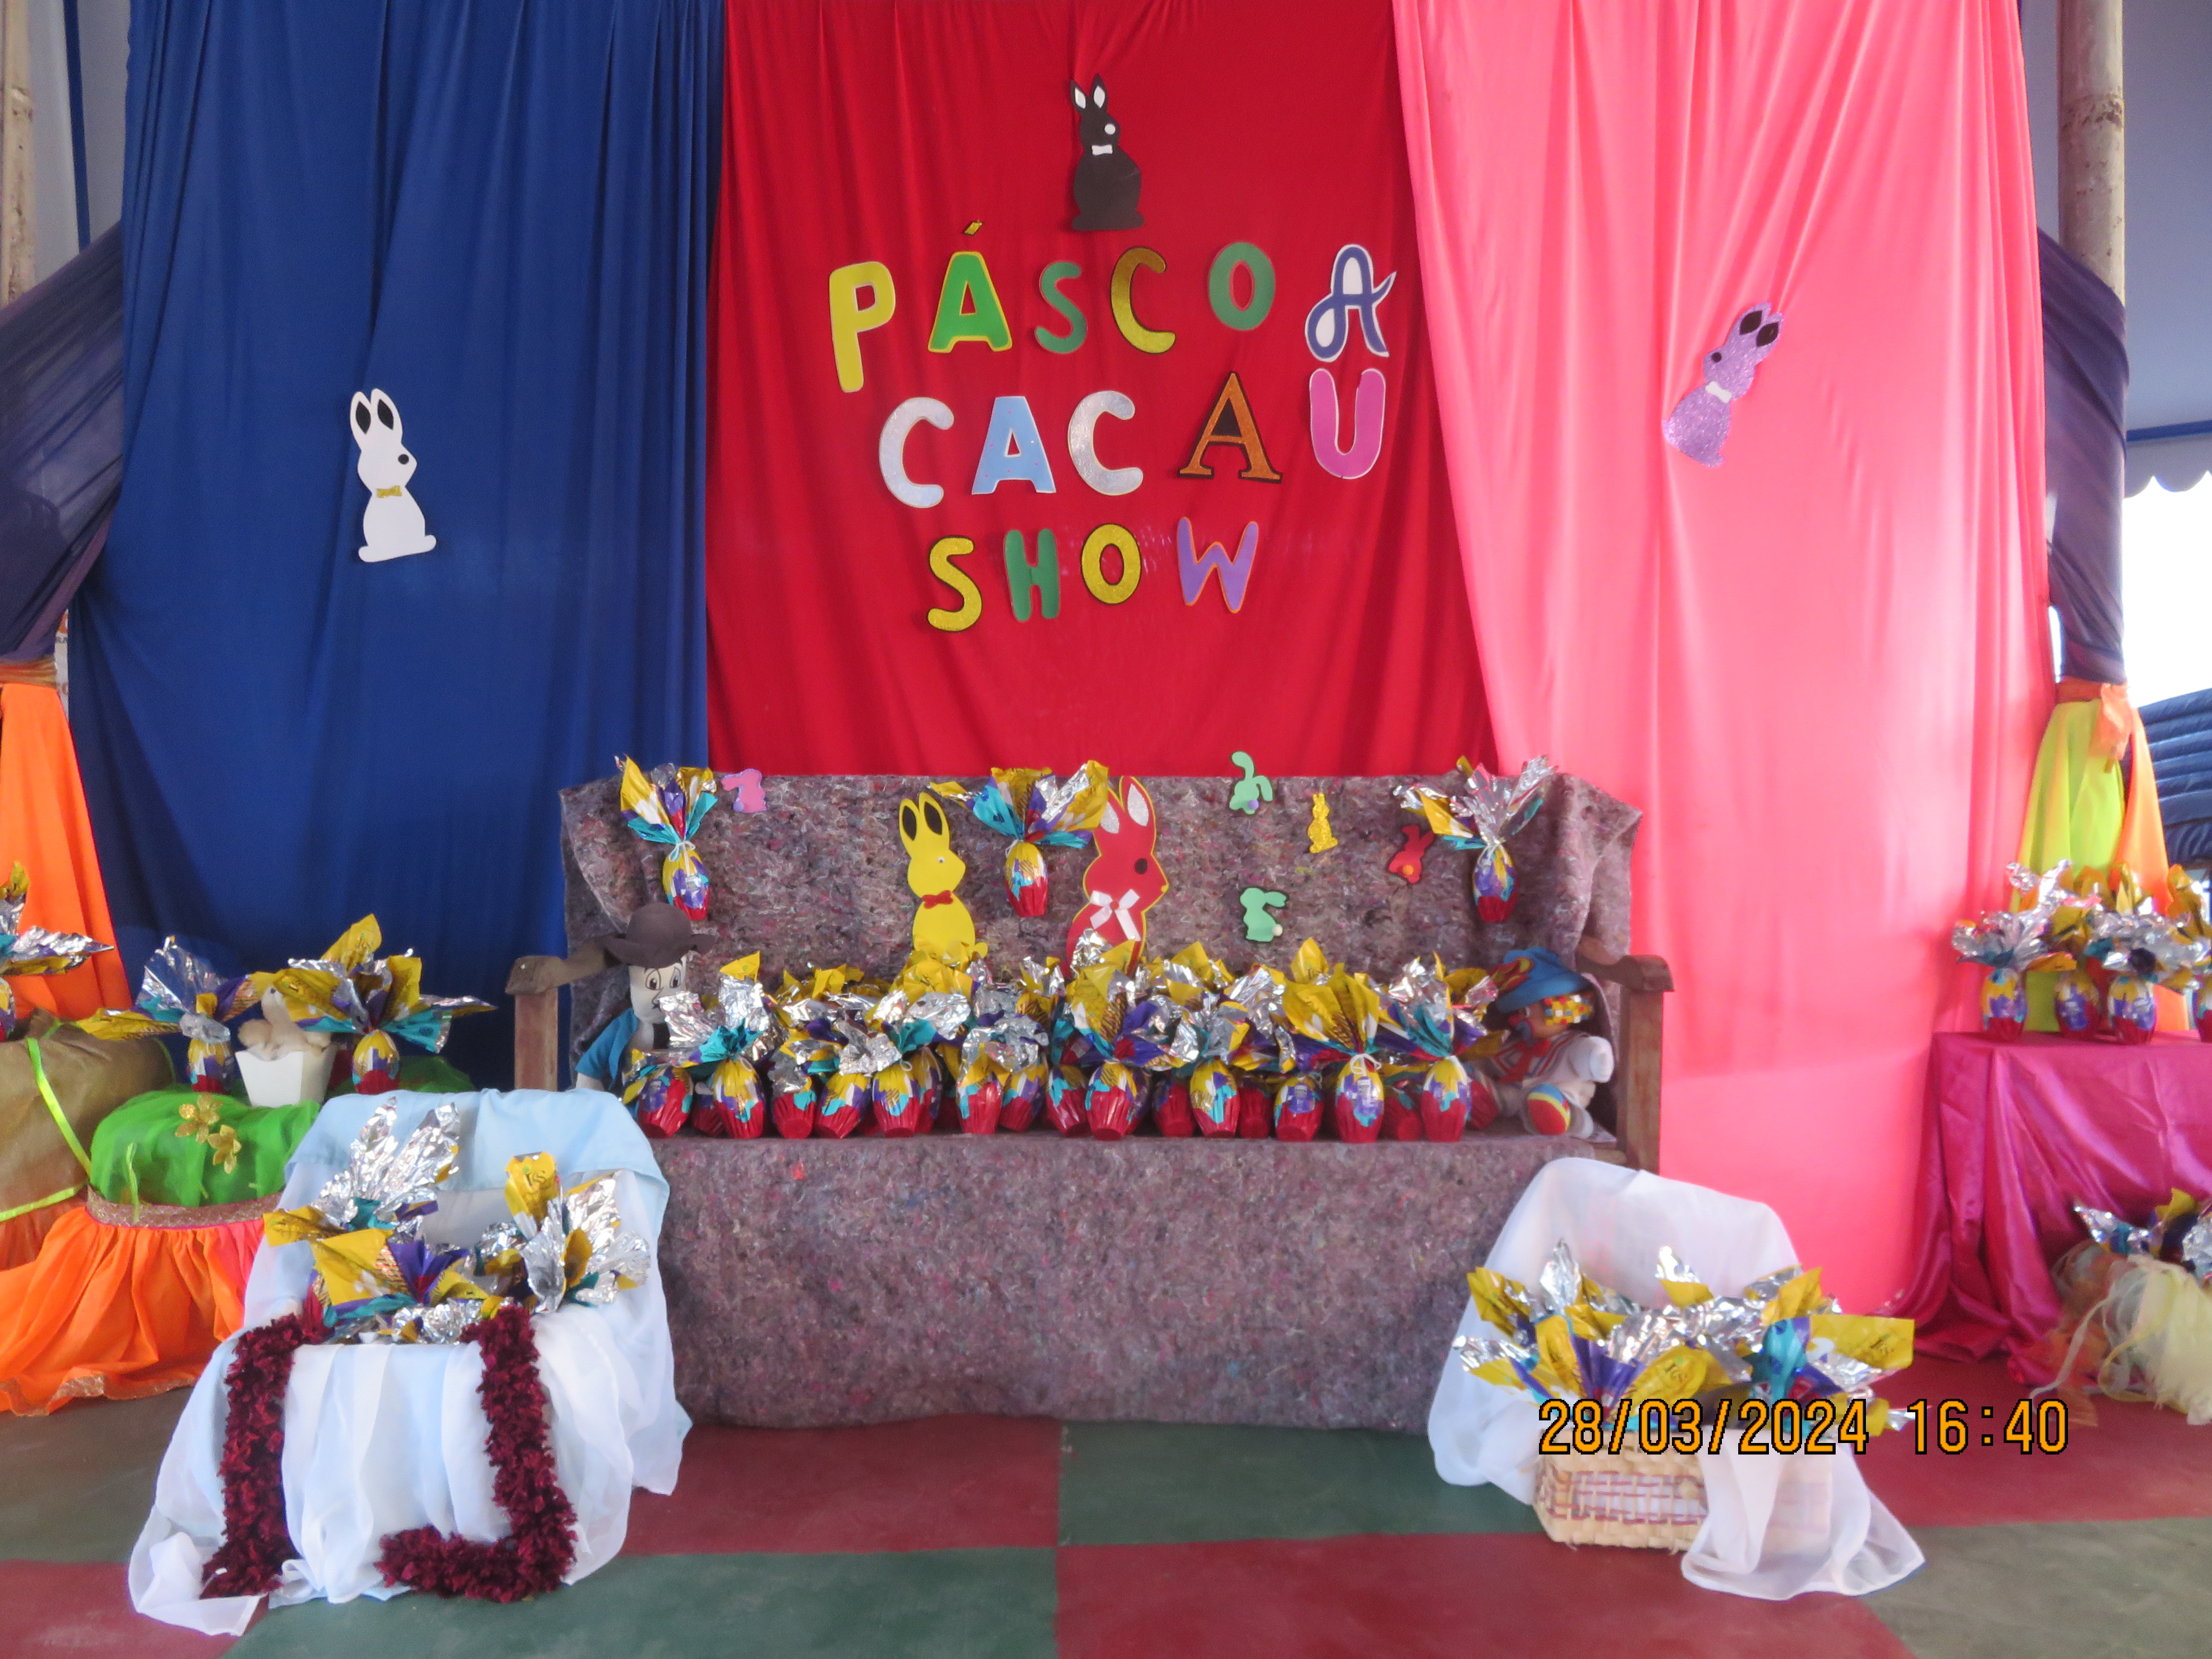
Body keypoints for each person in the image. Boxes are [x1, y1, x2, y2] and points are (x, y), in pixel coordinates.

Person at [1477, 947, 1613, 1138]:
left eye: (1525, 1013)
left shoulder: (1572, 1045)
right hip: (1515, 1095)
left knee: (1547, 1096)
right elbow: (1490, 1062)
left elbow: (1589, 1054)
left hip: (1559, 1093)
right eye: (1516, 1014)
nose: (1515, 1021)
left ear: (1558, 1009)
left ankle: (1558, 1115)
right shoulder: (1517, 1043)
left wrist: (1598, 1055)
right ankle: (1476, 1103)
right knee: (1486, 1085)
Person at [573, 902, 701, 1092]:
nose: (663, 996)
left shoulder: (694, 1022)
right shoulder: (623, 1027)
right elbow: (589, 1068)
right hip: (632, 1103)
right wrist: (596, 1103)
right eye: (652, 984)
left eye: (675, 981)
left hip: (683, 1103)